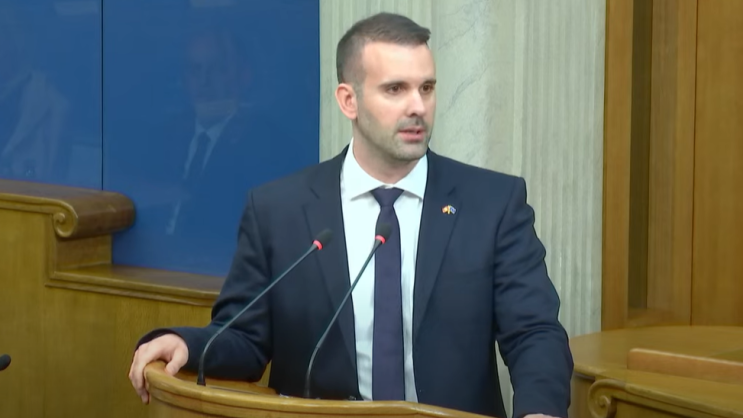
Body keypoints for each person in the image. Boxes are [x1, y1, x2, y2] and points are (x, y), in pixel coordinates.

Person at [128, 12, 573, 418]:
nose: (417, 107)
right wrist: (186, 343)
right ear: (348, 100)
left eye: (426, 88)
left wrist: (540, 412)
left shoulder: (492, 203)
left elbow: (533, 332)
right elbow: (245, 337)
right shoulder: (279, 211)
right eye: (395, 89)